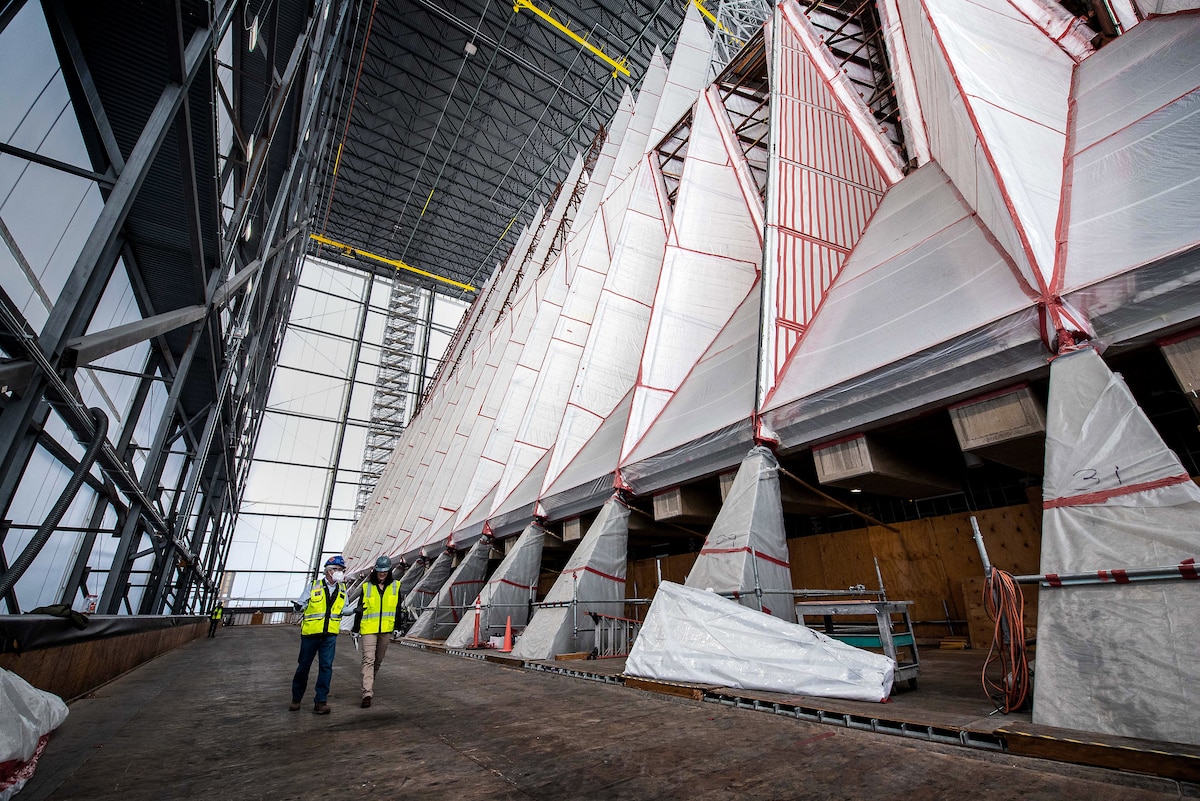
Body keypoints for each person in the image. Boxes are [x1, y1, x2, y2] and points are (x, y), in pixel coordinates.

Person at [289, 555, 346, 714]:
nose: (339, 572)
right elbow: (301, 603)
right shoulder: (314, 586)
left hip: (330, 635)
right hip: (311, 634)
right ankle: (296, 698)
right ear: (328, 571)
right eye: (336, 569)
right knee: (304, 666)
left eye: (341, 570)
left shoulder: (342, 589)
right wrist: (298, 607)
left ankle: (321, 701)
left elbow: (344, 608)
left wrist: (355, 611)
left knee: (326, 667)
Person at [347, 555, 402, 708]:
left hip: (386, 629)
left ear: (389, 571)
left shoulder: (396, 586)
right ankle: (367, 693)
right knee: (368, 660)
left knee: (377, 661)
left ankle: (369, 681)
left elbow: (398, 609)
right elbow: (360, 609)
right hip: (369, 629)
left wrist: (398, 626)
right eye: (379, 571)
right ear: (375, 571)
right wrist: (356, 629)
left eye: (385, 571)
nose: (382, 574)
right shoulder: (367, 587)